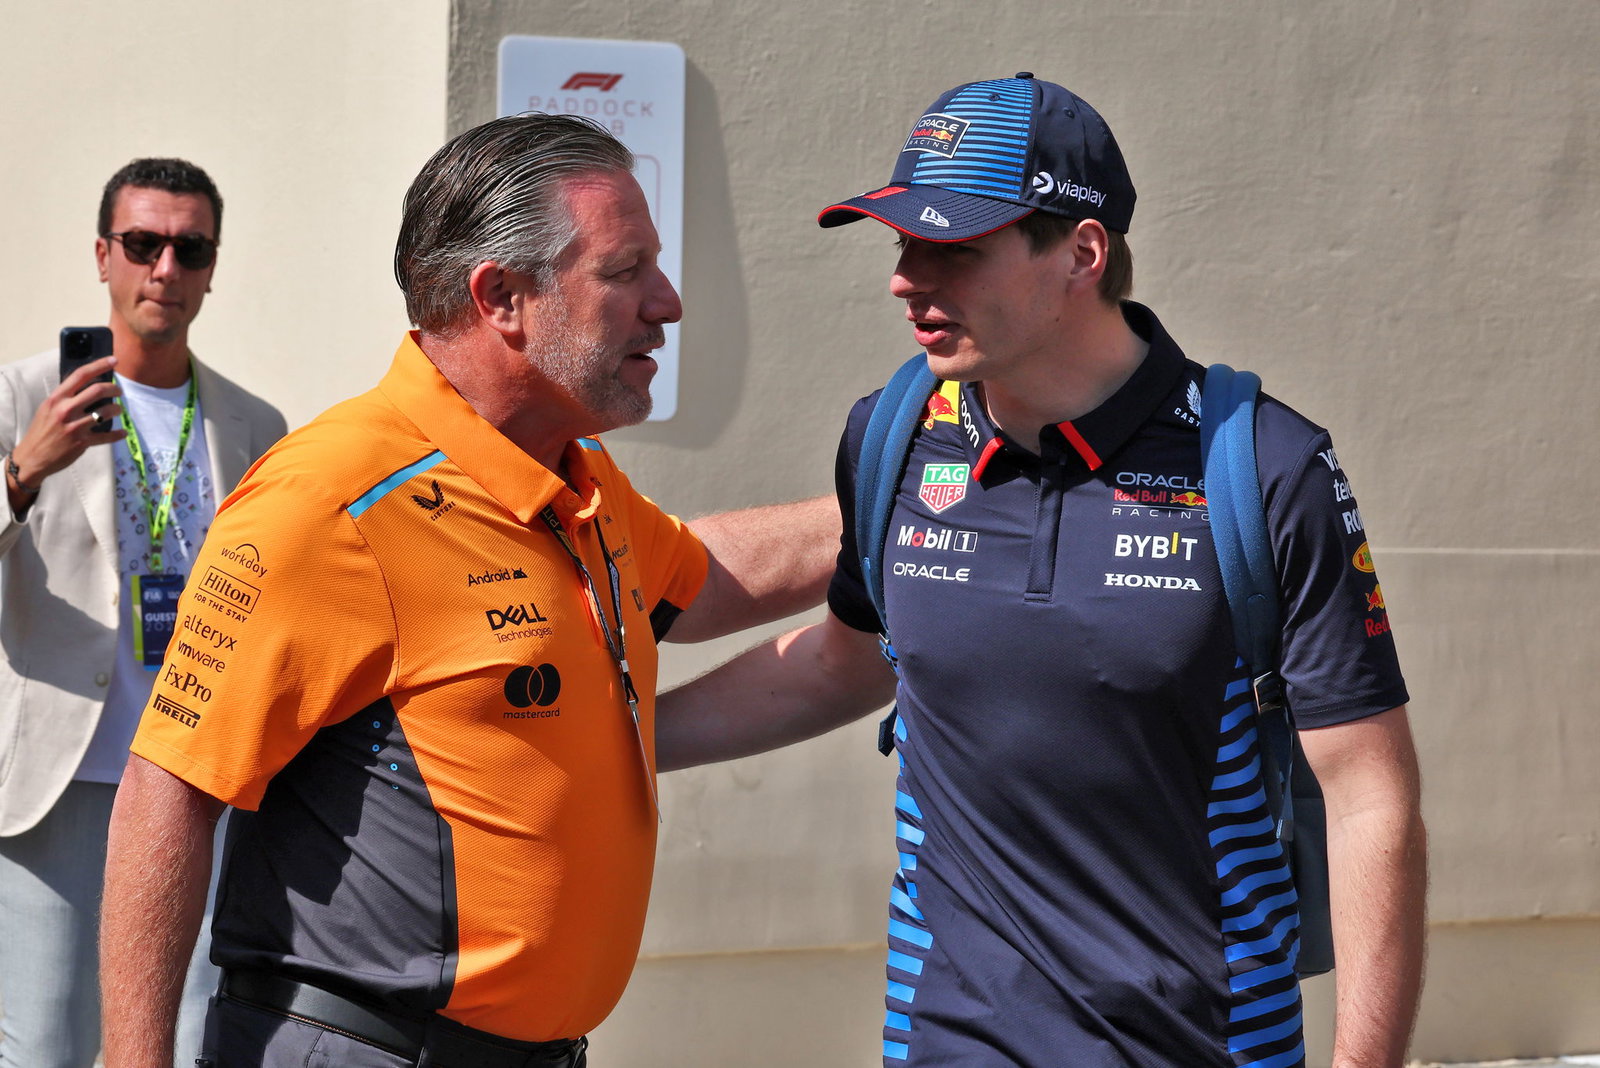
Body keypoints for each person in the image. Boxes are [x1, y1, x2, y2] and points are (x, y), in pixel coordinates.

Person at [655, 73, 1427, 1067]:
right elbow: (842, 664)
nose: (905, 279)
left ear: (1081, 253)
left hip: (1201, 1042)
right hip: (947, 1039)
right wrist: (604, 742)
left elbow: (1371, 798)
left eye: (953, 248)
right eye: (902, 244)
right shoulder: (891, 437)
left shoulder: (1263, 464)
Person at [98, 113, 837, 1068]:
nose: (668, 302)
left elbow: (703, 577)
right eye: (626, 270)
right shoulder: (333, 499)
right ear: (503, 298)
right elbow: (169, 785)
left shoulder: (576, 477)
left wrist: (903, 503)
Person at [0, 158, 286, 1068]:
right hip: (59, 778)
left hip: (192, 780)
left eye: (188, 248)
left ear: (211, 267)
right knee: (44, 1039)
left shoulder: (252, 424)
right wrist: (23, 470)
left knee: (187, 1033)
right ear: (103, 254)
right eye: (143, 243)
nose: (165, 267)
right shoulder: (21, 398)